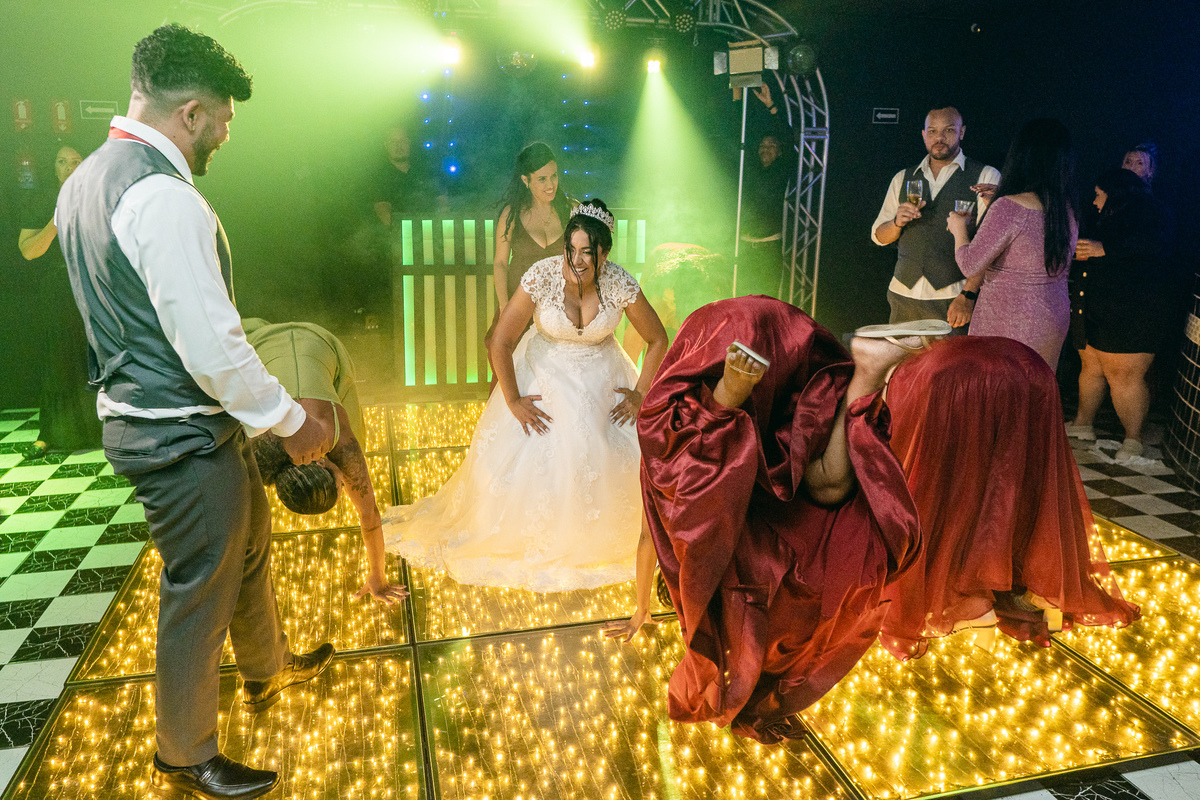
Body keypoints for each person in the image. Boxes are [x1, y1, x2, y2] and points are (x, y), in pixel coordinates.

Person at [55, 25, 334, 800]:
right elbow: (211, 346)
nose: (224, 136)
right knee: (199, 586)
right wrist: (290, 420)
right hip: (176, 431)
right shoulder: (162, 196)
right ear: (190, 113)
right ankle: (184, 751)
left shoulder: (86, 179)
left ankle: (268, 670)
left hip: (172, 420)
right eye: (222, 120)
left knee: (247, 549)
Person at [607, 297, 926, 743]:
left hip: (737, 345)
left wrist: (640, 609)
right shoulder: (699, 534)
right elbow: (658, 528)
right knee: (825, 487)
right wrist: (640, 608)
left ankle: (730, 401)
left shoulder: (693, 543)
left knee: (801, 489)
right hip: (773, 337)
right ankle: (867, 375)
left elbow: (658, 525)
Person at [383, 200, 669, 592]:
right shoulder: (541, 276)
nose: (578, 260)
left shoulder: (620, 282)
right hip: (542, 374)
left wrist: (640, 394)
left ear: (604, 253)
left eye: (589, 252)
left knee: (609, 454)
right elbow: (500, 341)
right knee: (541, 450)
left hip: (604, 379)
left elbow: (657, 339)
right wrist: (514, 400)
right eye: (572, 249)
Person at [879, 336, 1141, 659]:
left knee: (947, 481)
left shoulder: (907, 380)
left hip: (968, 372)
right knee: (1017, 471)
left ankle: (968, 603)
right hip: (1029, 366)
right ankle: (1044, 593)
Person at [243, 318, 408, 604]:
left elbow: (370, 518)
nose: (346, 483)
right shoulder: (258, 448)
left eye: (340, 483)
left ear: (322, 462)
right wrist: (376, 576)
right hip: (260, 341)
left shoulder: (339, 442)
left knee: (346, 415)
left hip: (319, 341)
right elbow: (367, 516)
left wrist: (378, 579)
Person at [947, 118, 1078, 370]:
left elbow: (970, 263)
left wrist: (958, 228)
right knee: (1035, 392)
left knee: (1001, 396)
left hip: (1009, 322)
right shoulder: (1066, 209)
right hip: (1052, 317)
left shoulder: (1009, 207)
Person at [1067, 168, 1174, 462]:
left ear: (1117, 195)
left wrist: (1106, 249)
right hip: (1096, 309)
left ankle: (1133, 438)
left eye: (1100, 194)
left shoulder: (1151, 216)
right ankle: (1083, 424)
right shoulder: (1105, 219)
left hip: (1131, 314)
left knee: (1123, 376)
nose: (1094, 201)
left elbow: (1157, 249)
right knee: (1091, 368)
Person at [872, 106, 1000, 330]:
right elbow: (879, 237)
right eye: (932, 131)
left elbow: (991, 246)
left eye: (948, 130)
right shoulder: (902, 178)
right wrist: (896, 224)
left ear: (961, 133)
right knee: (904, 366)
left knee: (948, 366)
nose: (939, 138)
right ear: (923, 135)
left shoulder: (985, 176)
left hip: (952, 299)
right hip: (903, 296)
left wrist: (967, 296)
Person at [17, 143, 103, 457]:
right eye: (61, 161)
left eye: (75, 161)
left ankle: (102, 428)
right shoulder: (40, 201)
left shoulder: (97, 197)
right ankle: (49, 433)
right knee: (58, 359)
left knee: (94, 356)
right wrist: (56, 221)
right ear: (54, 167)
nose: (68, 167)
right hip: (56, 287)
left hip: (93, 284)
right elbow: (28, 251)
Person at [490, 142, 576, 326]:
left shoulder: (570, 210)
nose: (551, 185)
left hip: (559, 308)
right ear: (525, 180)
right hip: (519, 304)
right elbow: (500, 263)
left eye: (554, 176)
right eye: (542, 179)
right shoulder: (511, 214)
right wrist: (505, 307)